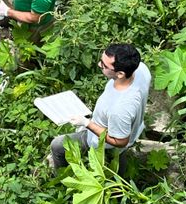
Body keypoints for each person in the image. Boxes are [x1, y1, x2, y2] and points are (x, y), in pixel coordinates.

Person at [49, 43, 151, 173]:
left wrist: (86, 123)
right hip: (130, 128)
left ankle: (63, 177)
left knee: (57, 146)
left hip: (105, 144)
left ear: (120, 74)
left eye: (104, 65)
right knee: (119, 161)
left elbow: (120, 141)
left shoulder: (120, 109)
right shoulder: (141, 69)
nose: (99, 65)